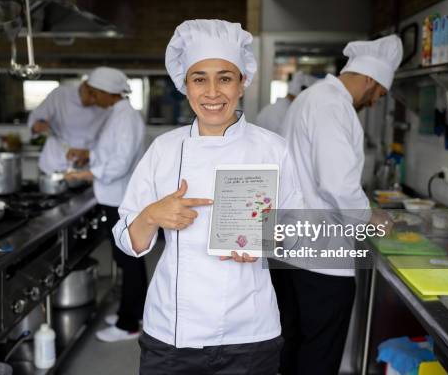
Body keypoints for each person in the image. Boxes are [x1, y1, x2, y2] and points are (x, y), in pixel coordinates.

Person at [112, 19, 304, 374]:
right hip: (171, 334)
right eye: (199, 78)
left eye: (225, 78)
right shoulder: (164, 150)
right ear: (184, 86)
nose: (212, 92)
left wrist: (269, 239)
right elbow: (127, 242)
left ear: (243, 83)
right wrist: (152, 215)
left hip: (251, 331)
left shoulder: (273, 150)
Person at [276, 34, 402, 375]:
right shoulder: (333, 105)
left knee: (294, 343)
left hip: (293, 248)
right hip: (321, 259)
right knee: (319, 352)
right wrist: (369, 216)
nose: (375, 102)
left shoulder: (311, 98)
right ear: (370, 79)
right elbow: (336, 183)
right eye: (379, 93)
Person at [64, 68, 148, 343]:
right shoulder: (118, 114)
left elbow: (120, 163)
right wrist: (88, 155)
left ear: (106, 92)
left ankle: (128, 325)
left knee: (129, 260)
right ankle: (136, 313)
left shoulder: (127, 117)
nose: (91, 97)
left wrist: (84, 174)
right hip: (115, 197)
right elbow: (110, 153)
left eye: (93, 92)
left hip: (122, 200)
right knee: (127, 260)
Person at [28, 68, 117, 174]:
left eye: (96, 96)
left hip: (85, 165)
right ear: (84, 85)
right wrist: (38, 125)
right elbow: (36, 120)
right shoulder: (59, 95)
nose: (92, 100)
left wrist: (90, 155)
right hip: (54, 162)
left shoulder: (106, 108)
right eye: (90, 94)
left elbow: (106, 139)